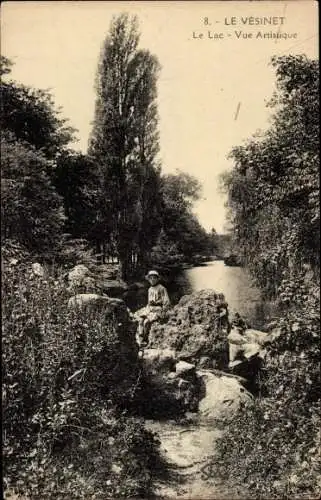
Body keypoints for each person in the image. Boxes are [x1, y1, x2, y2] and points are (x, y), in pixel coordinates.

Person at [136, 270, 170, 348]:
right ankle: (140, 338)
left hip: (158, 308)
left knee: (146, 322)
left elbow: (166, 301)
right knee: (141, 320)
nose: (152, 280)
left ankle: (145, 339)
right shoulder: (150, 289)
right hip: (150, 308)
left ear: (157, 279)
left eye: (154, 278)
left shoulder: (162, 288)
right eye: (150, 278)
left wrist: (163, 310)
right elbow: (149, 302)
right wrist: (147, 307)